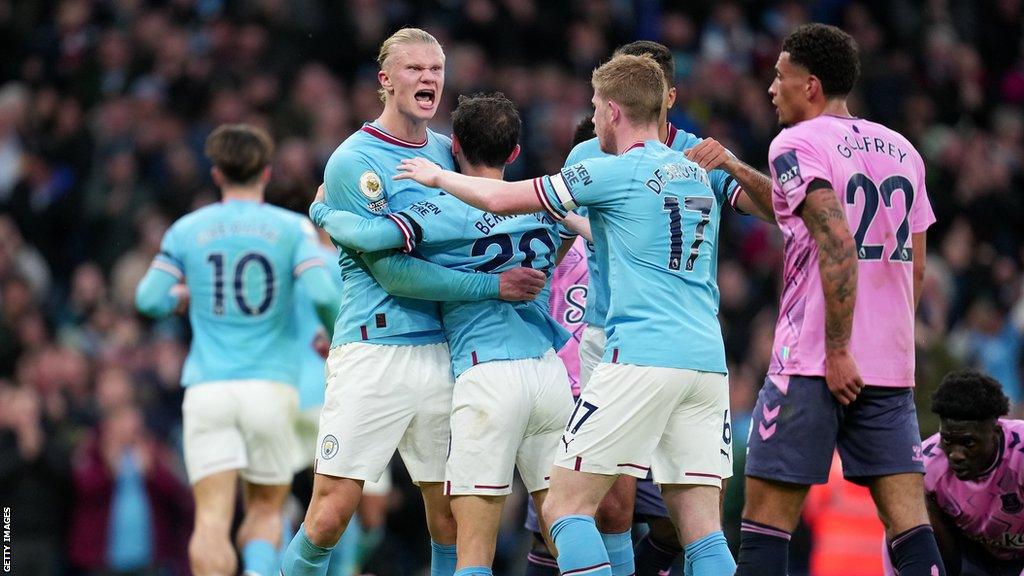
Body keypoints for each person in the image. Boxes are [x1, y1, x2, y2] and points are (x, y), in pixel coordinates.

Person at [395, 52, 736, 576]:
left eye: (597, 107)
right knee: (704, 532)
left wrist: (437, 178)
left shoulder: (613, 171)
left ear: (616, 112)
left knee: (564, 508)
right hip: (707, 364)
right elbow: (614, 233)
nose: (594, 118)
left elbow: (504, 199)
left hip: (639, 356)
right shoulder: (695, 174)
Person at [280, 29, 546, 576]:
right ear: (385, 81)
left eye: (435, 70)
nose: (428, 79)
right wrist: (491, 287)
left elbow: (489, 221)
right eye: (414, 70)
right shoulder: (352, 161)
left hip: (446, 353)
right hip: (374, 350)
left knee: (449, 516)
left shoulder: (451, 152)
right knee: (331, 512)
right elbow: (395, 274)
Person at [548, 41, 775, 576]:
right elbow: (558, 227)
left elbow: (778, 212)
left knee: (686, 518)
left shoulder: (700, 156)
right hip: (609, 338)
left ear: (668, 94)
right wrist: (541, 291)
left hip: (660, 340)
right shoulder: (590, 151)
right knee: (612, 505)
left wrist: (736, 166)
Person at [735, 23, 943, 576]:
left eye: (780, 77)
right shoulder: (904, 149)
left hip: (813, 361)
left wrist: (838, 349)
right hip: (890, 365)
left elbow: (835, 238)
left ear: (811, 85)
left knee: (763, 529)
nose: (771, 89)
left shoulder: (795, 143)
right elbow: (915, 266)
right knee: (911, 528)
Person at [135, 123, 342, 576]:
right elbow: (325, 294)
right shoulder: (292, 229)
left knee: (210, 521)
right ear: (266, 173)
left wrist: (184, 297)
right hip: (271, 388)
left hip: (208, 388)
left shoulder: (187, 229)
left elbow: (147, 300)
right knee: (266, 512)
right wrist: (337, 339)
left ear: (216, 174)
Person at [883, 370, 1024, 576]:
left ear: (996, 432)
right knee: (909, 502)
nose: (956, 455)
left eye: (968, 442)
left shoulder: (1020, 453)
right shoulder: (926, 464)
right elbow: (898, 529)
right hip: (971, 559)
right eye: (948, 440)